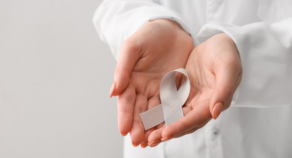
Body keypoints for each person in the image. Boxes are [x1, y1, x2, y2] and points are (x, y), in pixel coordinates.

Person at [93, 0, 292, 157]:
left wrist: (244, 53)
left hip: (265, 139)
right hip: (157, 136)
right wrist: (149, 22)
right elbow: (113, 6)